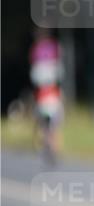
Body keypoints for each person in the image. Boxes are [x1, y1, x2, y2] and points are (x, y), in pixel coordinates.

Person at [29, 29, 64, 164]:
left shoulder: (35, 51)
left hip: (41, 98)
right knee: (55, 127)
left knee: (41, 126)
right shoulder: (54, 49)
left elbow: (34, 79)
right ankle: (54, 150)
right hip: (53, 97)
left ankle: (42, 148)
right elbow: (59, 75)